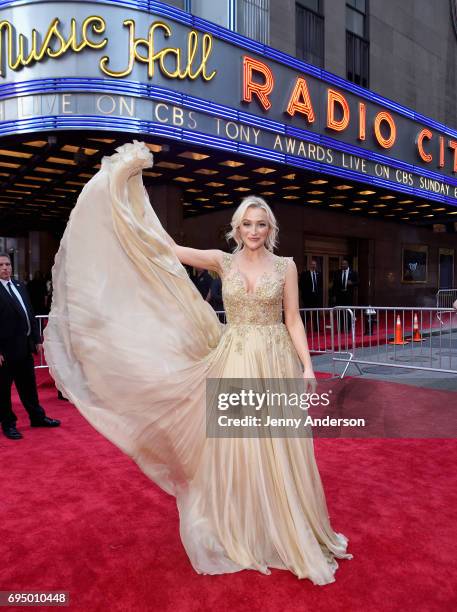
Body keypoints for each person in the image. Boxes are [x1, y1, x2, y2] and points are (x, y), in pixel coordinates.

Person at [44, 141, 351, 584]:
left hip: (273, 362)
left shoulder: (285, 267)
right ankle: (245, 527)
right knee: (237, 450)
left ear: (270, 228)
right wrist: (128, 185)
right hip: (233, 361)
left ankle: (284, 525)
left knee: (276, 449)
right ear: (236, 227)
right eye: (247, 223)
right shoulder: (221, 262)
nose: (253, 230)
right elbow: (166, 248)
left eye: (260, 224)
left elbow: (294, 322)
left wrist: (306, 367)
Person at [0, 253, 61, 440]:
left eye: (8, 264)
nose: (5, 268)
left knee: (29, 387)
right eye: (1, 265)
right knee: (3, 391)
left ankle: (37, 417)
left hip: (25, 347)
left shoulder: (20, 285)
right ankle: (8, 424)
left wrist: (37, 339)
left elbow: (30, 313)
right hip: (5, 351)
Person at [332, 259, 359, 331]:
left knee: (348, 312)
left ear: (348, 264)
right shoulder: (337, 272)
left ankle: (348, 328)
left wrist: (352, 283)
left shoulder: (353, 273)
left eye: (344, 264)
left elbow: (358, 283)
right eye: (342, 264)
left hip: (348, 296)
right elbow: (334, 285)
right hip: (339, 295)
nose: (343, 265)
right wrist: (334, 295)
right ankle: (340, 328)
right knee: (340, 312)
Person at [299, 259, 322, 330]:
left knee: (316, 313)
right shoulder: (305, 274)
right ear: (310, 265)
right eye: (312, 264)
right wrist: (304, 295)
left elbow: (320, 286)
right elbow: (301, 285)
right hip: (307, 297)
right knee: (307, 313)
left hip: (316, 297)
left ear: (316, 266)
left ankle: (316, 328)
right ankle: (303, 328)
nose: (313, 266)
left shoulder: (318, 274)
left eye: (314, 264)